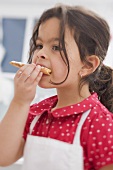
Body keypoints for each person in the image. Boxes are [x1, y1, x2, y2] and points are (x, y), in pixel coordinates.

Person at [0, 4, 113, 170]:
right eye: (39, 45)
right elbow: (3, 156)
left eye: (56, 47)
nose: (40, 54)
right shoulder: (36, 114)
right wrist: (20, 101)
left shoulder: (101, 125)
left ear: (88, 65)